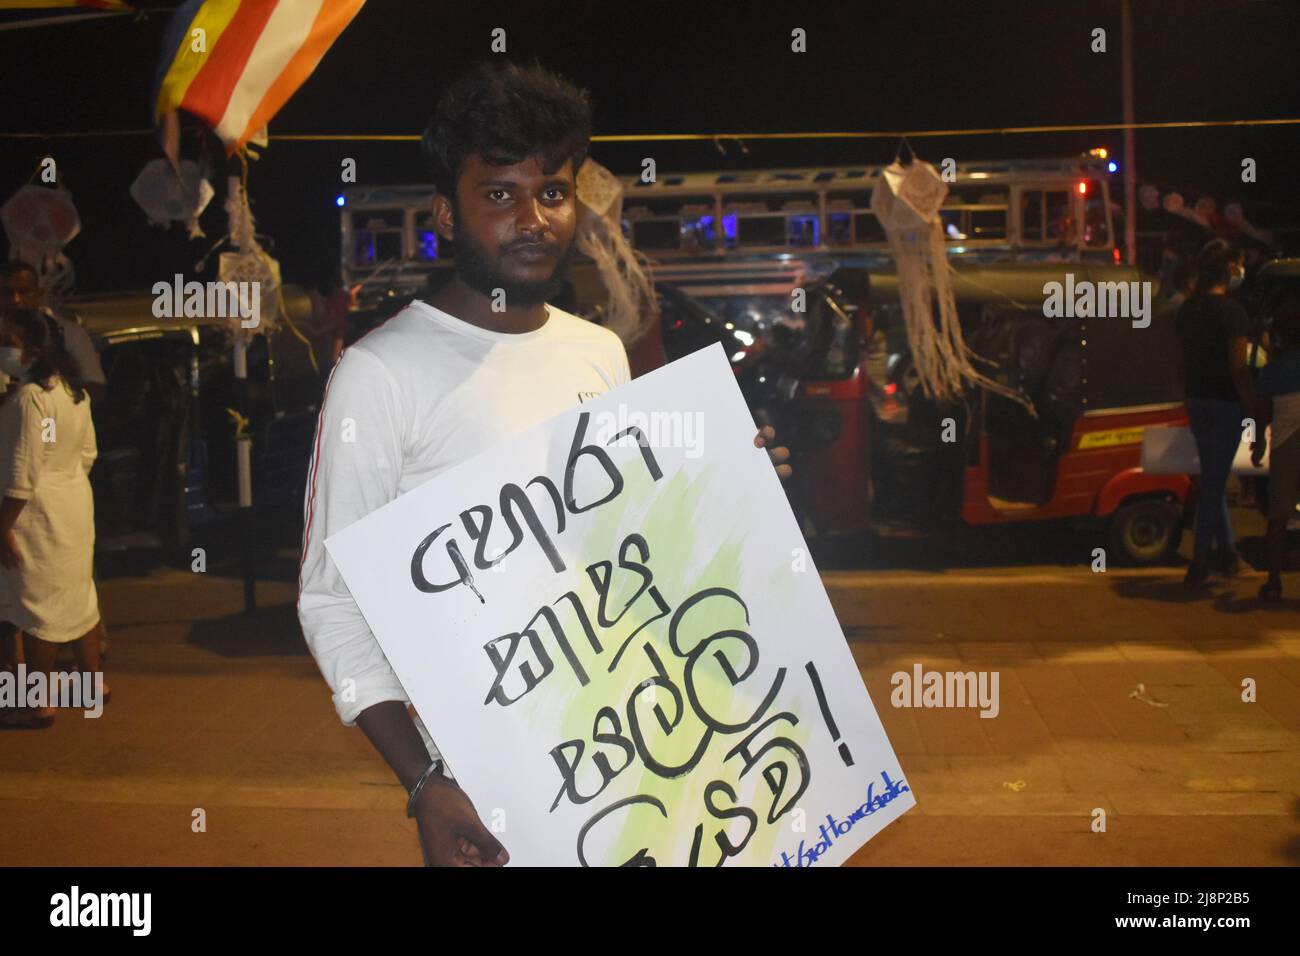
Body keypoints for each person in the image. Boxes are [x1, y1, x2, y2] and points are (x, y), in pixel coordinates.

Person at [296, 60, 791, 868]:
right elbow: (329, 600)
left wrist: (729, 494)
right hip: (484, 791)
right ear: (446, 216)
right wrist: (425, 784)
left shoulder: (598, 353)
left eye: (552, 192)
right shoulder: (380, 375)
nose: (532, 218)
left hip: (632, 759)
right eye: (499, 194)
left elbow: (629, 551)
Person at [0, 308, 108, 729]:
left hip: (37, 510)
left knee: (35, 606)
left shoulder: (31, 397)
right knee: (79, 597)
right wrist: (65, 484)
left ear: (28, 348)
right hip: (74, 501)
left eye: (8, 339)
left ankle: (38, 701)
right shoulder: (72, 392)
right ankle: (94, 684)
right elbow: (87, 453)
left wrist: (4, 524)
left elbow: (24, 469)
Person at [1175, 240, 1254, 587]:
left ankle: (1229, 555)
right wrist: (1252, 403)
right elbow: (1239, 368)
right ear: (1228, 270)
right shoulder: (1233, 313)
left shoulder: (1188, 310)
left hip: (1197, 400)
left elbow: (1182, 359)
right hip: (1225, 403)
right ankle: (1200, 560)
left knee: (1212, 479)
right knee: (1214, 483)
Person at [1250, 289, 1300, 600]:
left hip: (1284, 446)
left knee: (1278, 515)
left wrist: (1257, 446)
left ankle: (1274, 580)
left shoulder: (1272, 371)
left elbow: (1262, 413)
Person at [0, 259, 107, 404]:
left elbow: (96, 390)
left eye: (24, 291)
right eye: (7, 292)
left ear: (39, 293)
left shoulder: (69, 333)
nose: (16, 299)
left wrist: (38, 396)